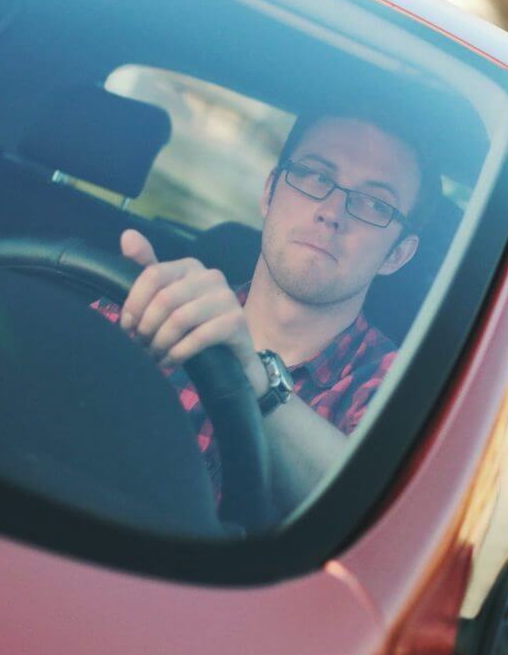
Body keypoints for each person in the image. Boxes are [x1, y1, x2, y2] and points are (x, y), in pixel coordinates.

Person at [97, 107, 437, 514]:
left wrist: (257, 381)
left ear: (398, 254)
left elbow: (374, 520)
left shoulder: (406, 395)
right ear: (269, 192)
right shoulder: (155, 305)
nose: (332, 212)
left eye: (376, 204)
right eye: (317, 176)